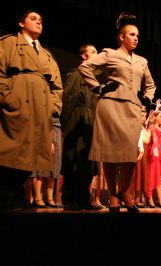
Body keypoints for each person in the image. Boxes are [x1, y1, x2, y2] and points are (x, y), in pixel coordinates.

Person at [79, 12, 156, 213]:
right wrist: (98, 88)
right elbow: (85, 67)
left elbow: (151, 85)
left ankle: (125, 192)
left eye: (137, 35)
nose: (135, 38)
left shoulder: (142, 61)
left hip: (132, 108)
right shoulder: (109, 54)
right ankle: (113, 194)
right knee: (111, 154)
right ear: (121, 37)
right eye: (131, 34)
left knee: (130, 155)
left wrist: (146, 99)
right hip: (110, 107)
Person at [0, 10, 63, 211]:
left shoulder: (46, 54)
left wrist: (52, 107)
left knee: (31, 153)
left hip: (40, 110)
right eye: (33, 19)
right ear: (21, 23)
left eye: (41, 21)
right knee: (11, 150)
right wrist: (8, 98)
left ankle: (16, 195)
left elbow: (57, 86)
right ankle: (5, 194)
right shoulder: (8, 43)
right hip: (18, 104)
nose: (38, 23)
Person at [60, 43, 104, 211]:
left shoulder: (95, 77)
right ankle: (70, 198)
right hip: (77, 120)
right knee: (75, 160)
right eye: (93, 51)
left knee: (87, 162)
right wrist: (66, 123)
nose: (96, 53)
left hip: (91, 121)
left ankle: (83, 198)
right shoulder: (77, 74)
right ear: (84, 56)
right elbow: (68, 97)